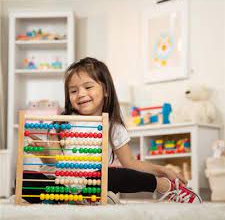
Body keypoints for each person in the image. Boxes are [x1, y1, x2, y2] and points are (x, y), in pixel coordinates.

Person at [26, 57, 202, 204]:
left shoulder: (113, 126)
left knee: (113, 174)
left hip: (96, 182)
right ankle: (78, 200)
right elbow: (56, 162)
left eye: (88, 87)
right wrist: (45, 152)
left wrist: (162, 171)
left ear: (106, 90)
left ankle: (164, 186)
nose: (80, 94)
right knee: (26, 181)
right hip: (65, 183)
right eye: (73, 90)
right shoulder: (61, 124)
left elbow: (131, 163)